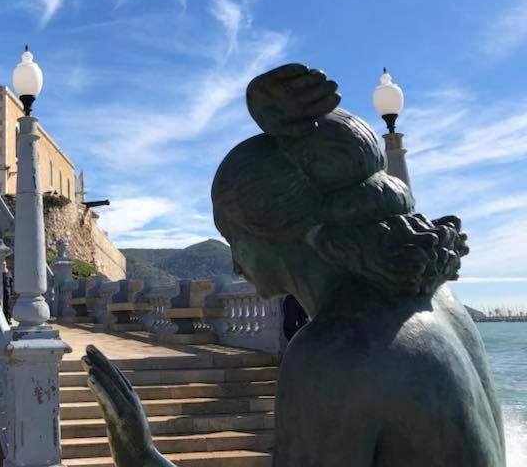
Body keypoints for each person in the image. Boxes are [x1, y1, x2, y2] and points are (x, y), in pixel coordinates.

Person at [82, 64, 505, 467]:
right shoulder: (442, 304)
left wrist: (140, 457)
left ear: (283, 235)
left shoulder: (335, 354)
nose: (236, 264)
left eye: (237, 240)